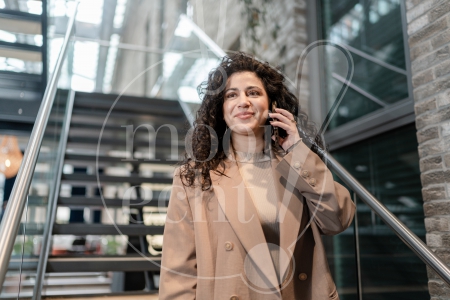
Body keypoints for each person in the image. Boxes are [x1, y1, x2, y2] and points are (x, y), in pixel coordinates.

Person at [159, 52, 355, 300]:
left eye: (253, 92)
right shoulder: (194, 177)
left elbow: (337, 220)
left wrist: (296, 150)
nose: (243, 101)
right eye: (232, 95)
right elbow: (178, 273)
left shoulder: (296, 163)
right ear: (221, 110)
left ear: (272, 105)